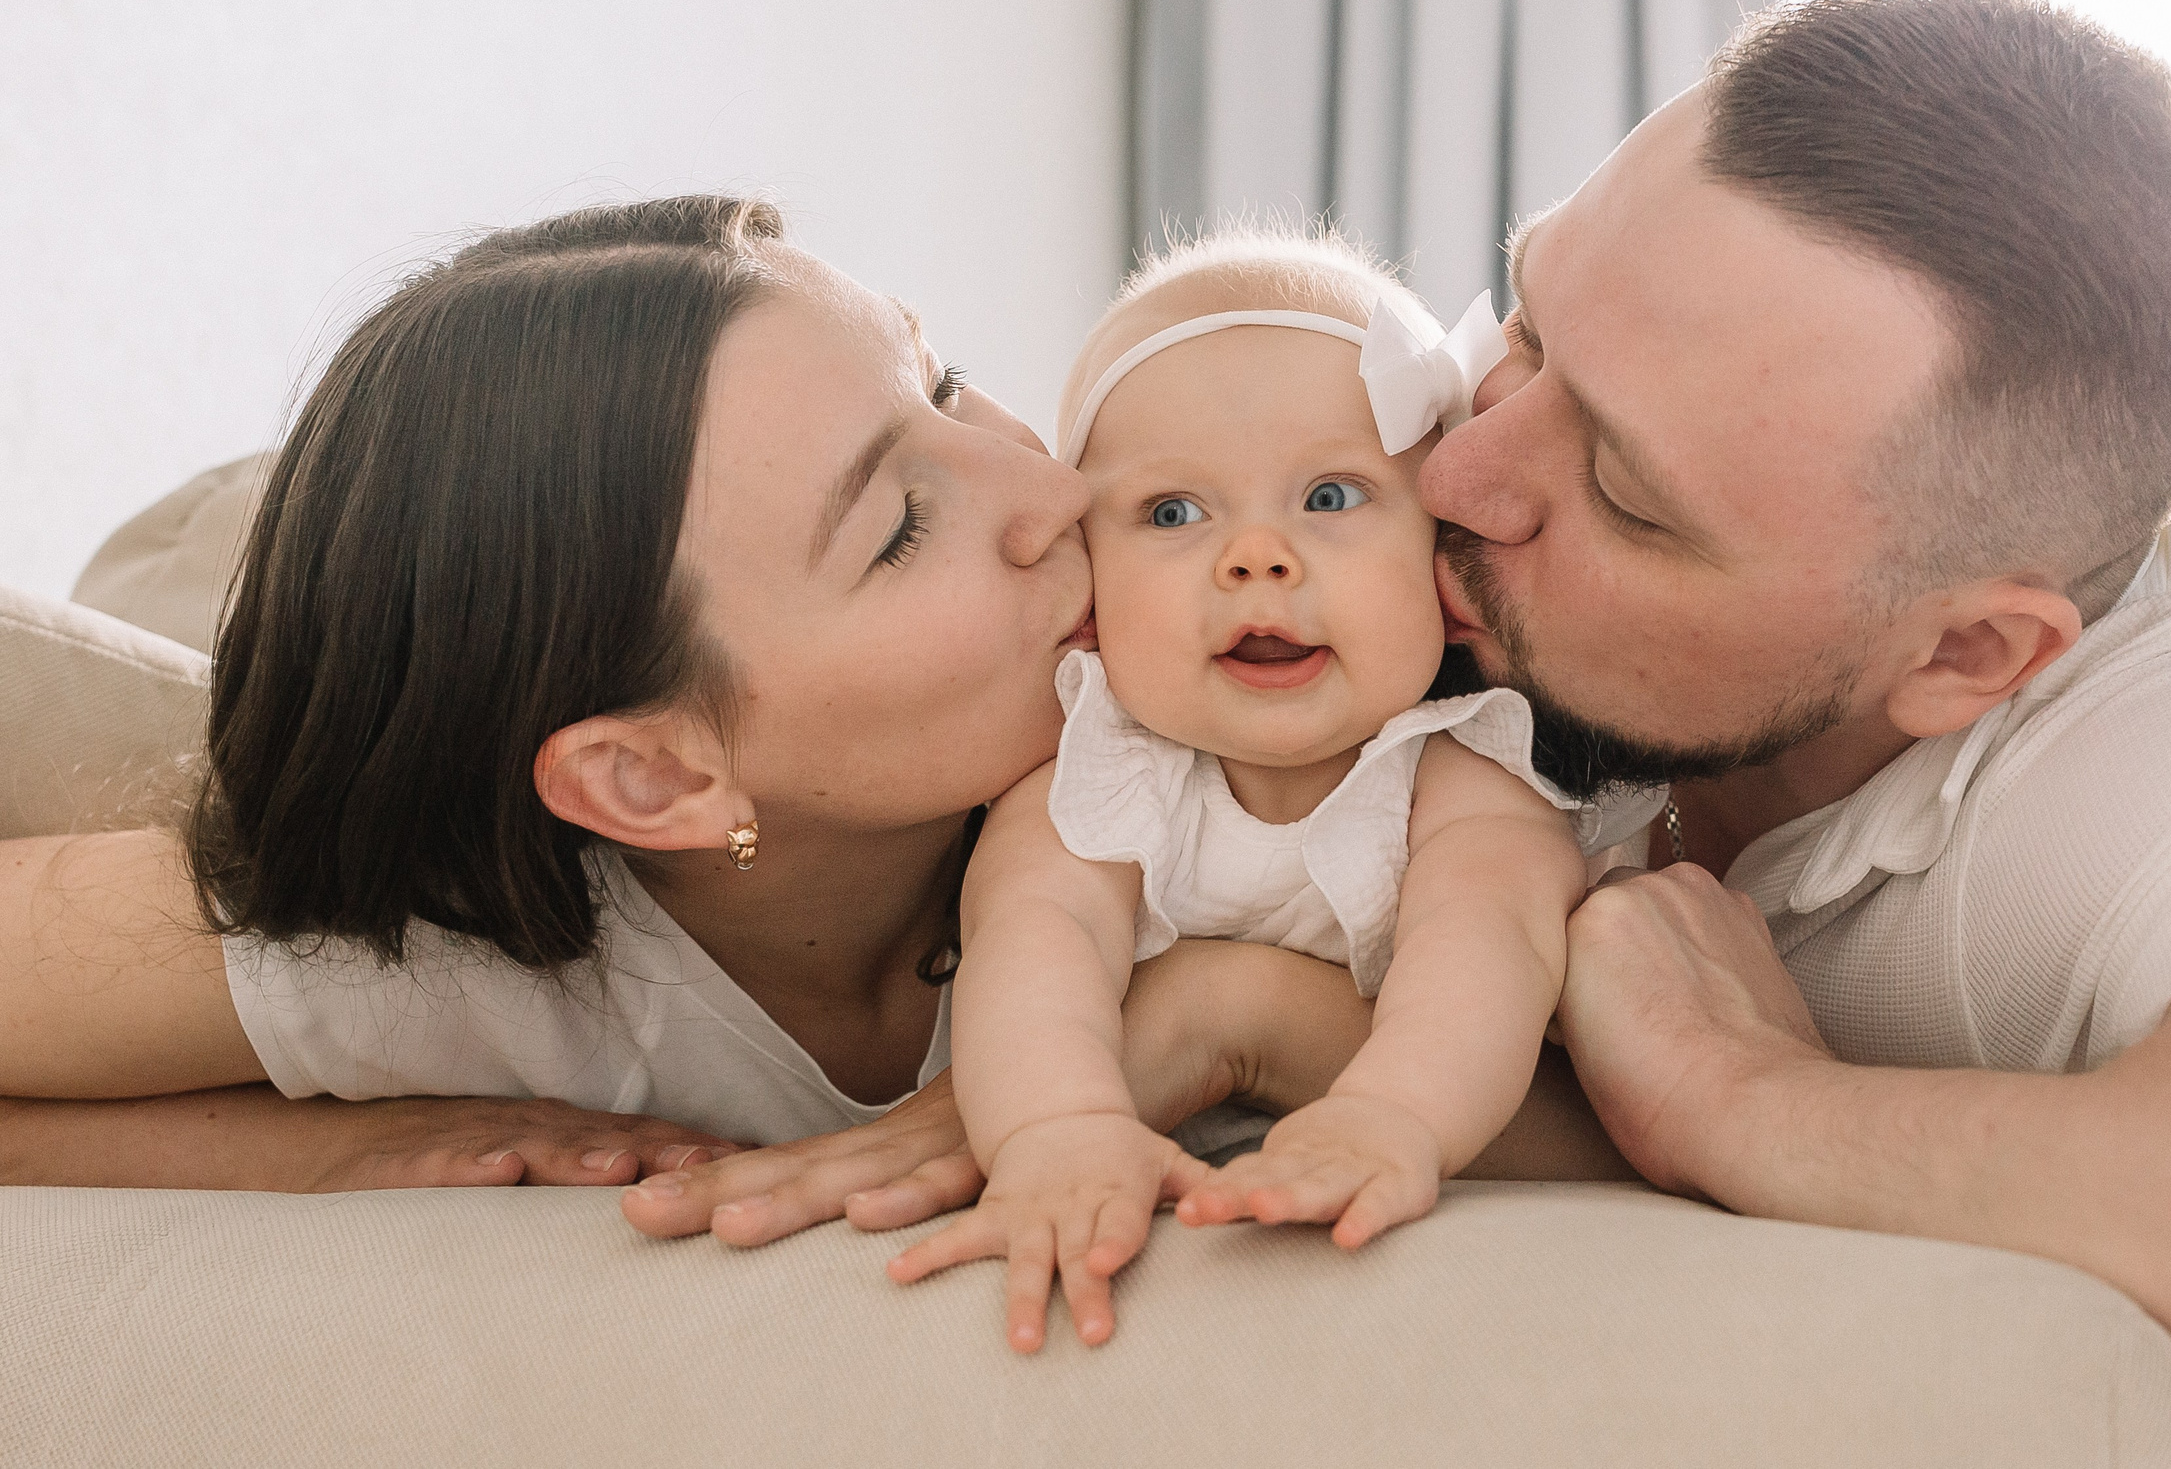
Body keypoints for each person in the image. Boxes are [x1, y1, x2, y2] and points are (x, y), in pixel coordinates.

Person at [1420, 0, 2171, 1468]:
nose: (1457, 471)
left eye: (1627, 497)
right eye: (1525, 319)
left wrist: (1742, 1094)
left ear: (1967, 651)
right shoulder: (1447, 426)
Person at [0, 196, 1418, 1220]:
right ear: (657, 779)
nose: (1057, 493)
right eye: (901, 528)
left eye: (951, 383)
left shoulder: (1255, 700)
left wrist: (1238, 1015)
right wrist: (288, 1160)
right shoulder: (441, 950)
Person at [893, 236, 1650, 1350]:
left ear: (1444, 570)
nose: (1255, 557)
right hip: (1167, 1170)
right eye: (1170, 514)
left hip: (1421, 1137)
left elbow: (1482, 954)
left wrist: (1390, 1116)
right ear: (1090, 593)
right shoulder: (1089, 782)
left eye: (1331, 496)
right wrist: (1055, 1131)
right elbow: (1033, 952)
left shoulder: (1466, 778)